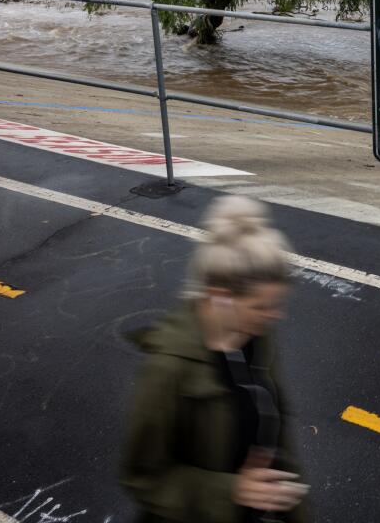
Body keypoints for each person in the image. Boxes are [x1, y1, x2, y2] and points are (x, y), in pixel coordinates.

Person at [121, 196, 309, 522]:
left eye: (277, 303)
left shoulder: (256, 336)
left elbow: (279, 439)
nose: (275, 316)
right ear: (221, 298)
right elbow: (142, 477)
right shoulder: (169, 368)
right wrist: (231, 491)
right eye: (262, 306)